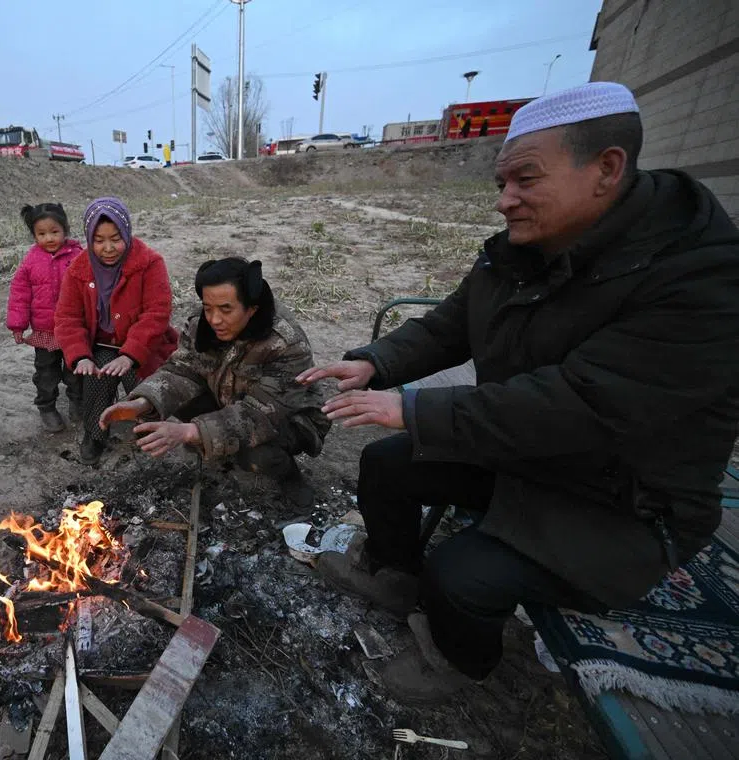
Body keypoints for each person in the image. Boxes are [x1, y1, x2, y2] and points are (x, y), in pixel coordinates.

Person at [297, 82, 739, 702]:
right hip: (529, 453)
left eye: (525, 180)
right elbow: (451, 325)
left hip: (624, 499)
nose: (505, 200)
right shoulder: (526, 248)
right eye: (502, 182)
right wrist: (375, 363)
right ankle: (394, 575)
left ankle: (457, 661)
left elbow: (581, 402)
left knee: (460, 575)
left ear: (607, 168)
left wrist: (414, 409)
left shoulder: (698, 278)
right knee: (386, 465)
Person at [101, 258, 331, 509]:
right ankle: (220, 446)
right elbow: (182, 370)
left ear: (251, 309)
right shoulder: (202, 323)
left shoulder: (286, 343)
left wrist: (189, 432)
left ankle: (290, 478)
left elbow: (261, 416)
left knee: (256, 456)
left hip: (288, 418)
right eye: (208, 307)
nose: (214, 319)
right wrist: (142, 402)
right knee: (177, 399)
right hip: (229, 396)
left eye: (225, 309)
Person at [54, 197, 178, 465]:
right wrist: (80, 356)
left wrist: (130, 355)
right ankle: (95, 434)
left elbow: (156, 313)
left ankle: (149, 431)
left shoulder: (150, 262)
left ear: (127, 233)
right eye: (99, 240)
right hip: (100, 346)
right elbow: (67, 318)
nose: (108, 248)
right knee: (96, 380)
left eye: (116, 238)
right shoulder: (77, 270)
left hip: (143, 346)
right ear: (89, 239)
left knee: (143, 384)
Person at [7, 203, 84, 433]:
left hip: (73, 330)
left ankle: (77, 402)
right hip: (44, 331)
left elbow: (90, 290)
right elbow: (19, 294)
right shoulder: (31, 260)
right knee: (46, 373)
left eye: (54, 231)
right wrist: (18, 325)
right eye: (41, 234)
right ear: (34, 235)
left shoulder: (79, 256)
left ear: (65, 229)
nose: (49, 238)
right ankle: (47, 407)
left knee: (76, 370)